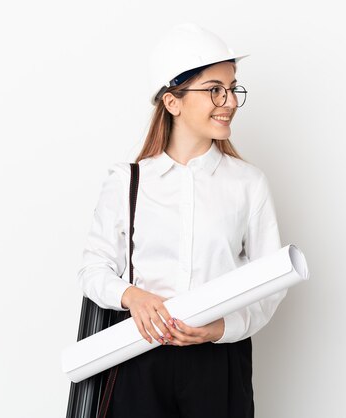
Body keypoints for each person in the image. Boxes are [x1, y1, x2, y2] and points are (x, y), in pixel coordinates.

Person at [77, 23, 286, 418]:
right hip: (137, 357)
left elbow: (269, 287)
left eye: (232, 88)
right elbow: (92, 269)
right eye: (214, 89)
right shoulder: (128, 181)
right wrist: (132, 297)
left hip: (218, 363)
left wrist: (219, 329)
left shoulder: (248, 184)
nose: (229, 101)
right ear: (172, 102)